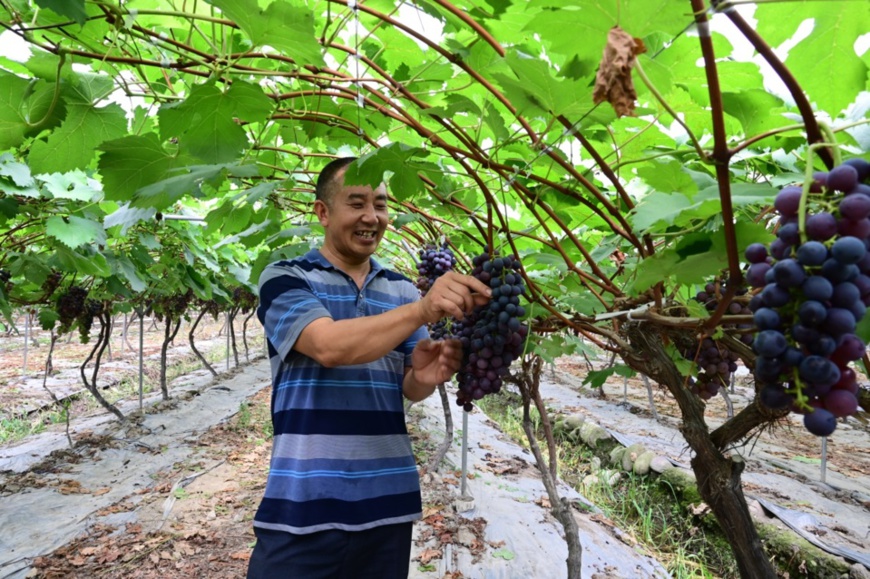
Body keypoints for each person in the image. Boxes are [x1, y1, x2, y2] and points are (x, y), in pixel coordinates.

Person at [247, 156, 491, 578]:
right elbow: (327, 346)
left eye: (379, 204)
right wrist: (422, 309)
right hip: (304, 503)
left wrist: (426, 376)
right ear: (322, 212)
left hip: (387, 503)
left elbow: (409, 386)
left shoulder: (399, 288)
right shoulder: (286, 277)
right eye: (356, 203)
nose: (371, 217)